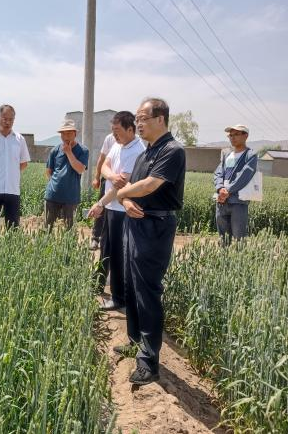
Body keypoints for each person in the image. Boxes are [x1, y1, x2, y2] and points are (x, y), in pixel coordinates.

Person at [115, 98, 186, 385]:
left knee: (147, 291)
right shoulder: (146, 153)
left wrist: (125, 195)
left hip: (155, 225)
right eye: (137, 118)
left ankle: (149, 362)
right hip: (135, 222)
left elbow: (150, 185)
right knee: (132, 285)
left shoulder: (172, 151)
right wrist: (127, 198)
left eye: (143, 117)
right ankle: (134, 340)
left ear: (161, 119)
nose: (139, 123)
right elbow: (132, 186)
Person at [88, 112, 145, 311]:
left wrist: (100, 203)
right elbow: (105, 165)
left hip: (122, 209)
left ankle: (120, 297)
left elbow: (120, 188)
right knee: (107, 248)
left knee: (120, 255)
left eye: (118, 131)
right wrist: (111, 175)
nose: (115, 135)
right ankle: (100, 285)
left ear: (131, 129)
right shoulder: (117, 144)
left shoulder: (138, 151)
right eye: (113, 131)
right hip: (112, 207)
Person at [214, 124, 258, 245]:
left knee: (239, 239)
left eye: (236, 134)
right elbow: (218, 173)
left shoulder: (251, 155)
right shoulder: (226, 154)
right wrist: (220, 188)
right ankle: (224, 263)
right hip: (221, 201)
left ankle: (239, 263)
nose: (232, 138)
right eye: (230, 135)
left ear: (246, 136)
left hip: (238, 202)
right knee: (223, 240)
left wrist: (227, 190)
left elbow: (244, 176)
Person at [43, 119, 88, 230]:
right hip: (52, 195)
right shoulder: (55, 150)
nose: (65, 136)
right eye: (63, 133)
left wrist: (68, 152)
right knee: (47, 228)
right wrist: (54, 185)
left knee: (69, 230)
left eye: (68, 133)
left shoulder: (83, 150)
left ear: (75, 134)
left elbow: (80, 169)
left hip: (71, 197)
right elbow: (49, 171)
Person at [89, 133, 116, 250]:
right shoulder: (110, 138)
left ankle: (112, 239)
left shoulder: (136, 141)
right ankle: (95, 238)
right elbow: (102, 159)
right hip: (107, 179)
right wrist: (97, 177)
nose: (115, 131)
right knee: (101, 208)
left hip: (123, 179)